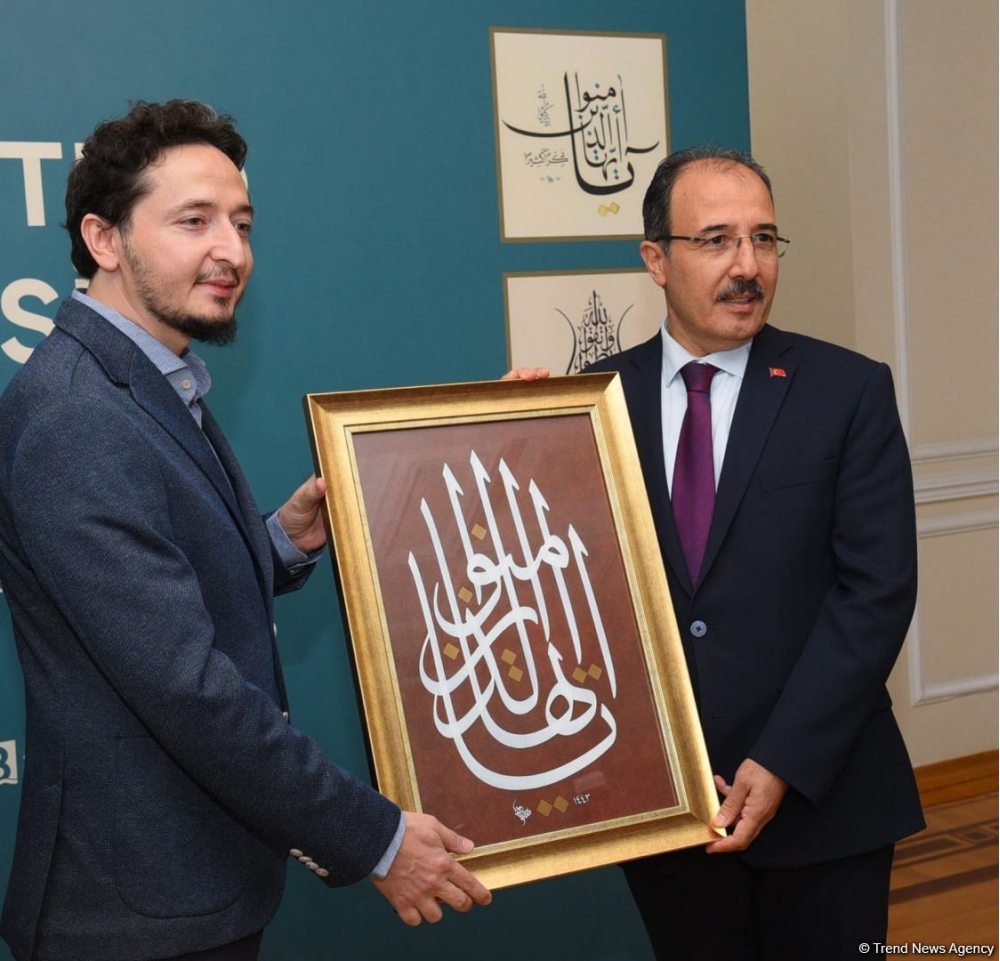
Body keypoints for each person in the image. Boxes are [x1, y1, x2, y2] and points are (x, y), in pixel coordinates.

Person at [0, 100, 490, 961]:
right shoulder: (78, 415)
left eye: (242, 222)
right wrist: (374, 838)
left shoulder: (148, 377)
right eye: (194, 221)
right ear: (103, 239)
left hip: (189, 885)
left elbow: (151, 593)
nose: (232, 250)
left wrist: (280, 540)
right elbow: (185, 686)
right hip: (134, 913)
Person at [510, 146, 924, 960]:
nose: (747, 266)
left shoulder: (848, 390)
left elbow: (876, 593)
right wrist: (511, 436)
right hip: (672, 811)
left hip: (824, 802)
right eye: (717, 241)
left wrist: (783, 758)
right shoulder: (592, 399)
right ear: (656, 259)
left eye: (764, 239)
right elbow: (564, 582)